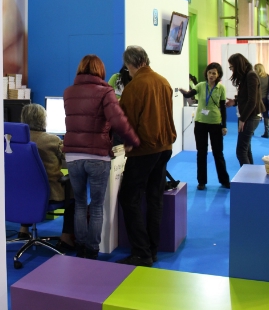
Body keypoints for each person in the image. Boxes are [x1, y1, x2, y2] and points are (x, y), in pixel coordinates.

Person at [63, 54, 139, 260]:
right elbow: (118, 120)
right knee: (96, 206)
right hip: (98, 156)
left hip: (73, 156)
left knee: (80, 203)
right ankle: (92, 249)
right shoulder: (106, 92)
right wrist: (132, 140)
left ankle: (80, 247)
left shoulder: (68, 92)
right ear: (100, 71)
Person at [117, 46, 177, 267]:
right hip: (164, 147)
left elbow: (127, 121)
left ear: (129, 64)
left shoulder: (134, 87)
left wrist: (127, 143)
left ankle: (141, 252)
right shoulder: (163, 82)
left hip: (144, 151)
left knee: (129, 198)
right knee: (154, 198)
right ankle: (152, 249)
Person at [20, 103, 75, 252]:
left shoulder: (15, 140)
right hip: (49, 195)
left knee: (26, 180)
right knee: (76, 193)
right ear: (43, 120)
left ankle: (23, 230)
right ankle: (66, 238)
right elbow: (69, 160)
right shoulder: (52, 140)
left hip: (20, 195)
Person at [180, 63, 230, 190]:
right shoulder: (200, 86)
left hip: (215, 124)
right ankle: (201, 181)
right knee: (201, 153)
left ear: (218, 75)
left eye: (214, 73)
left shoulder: (221, 88)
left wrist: (224, 126)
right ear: (206, 73)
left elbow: (223, 108)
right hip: (200, 123)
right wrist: (182, 91)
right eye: (209, 72)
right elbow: (189, 94)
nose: (211, 75)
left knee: (218, 153)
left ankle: (224, 180)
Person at [226, 53, 265, 166]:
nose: (231, 69)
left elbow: (252, 101)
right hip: (247, 116)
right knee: (246, 150)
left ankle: (247, 176)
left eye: (231, 67)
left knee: (241, 152)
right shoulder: (247, 76)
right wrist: (235, 101)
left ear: (238, 65)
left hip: (250, 117)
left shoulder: (251, 75)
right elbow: (246, 97)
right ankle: (251, 175)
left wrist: (243, 119)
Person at [254, 63, 269, 138]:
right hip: (267, 99)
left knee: (253, 114)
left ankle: (251, 131)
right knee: (266, 115)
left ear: (257, 69)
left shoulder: (255, 77)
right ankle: (267, 132)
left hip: (258, 99)